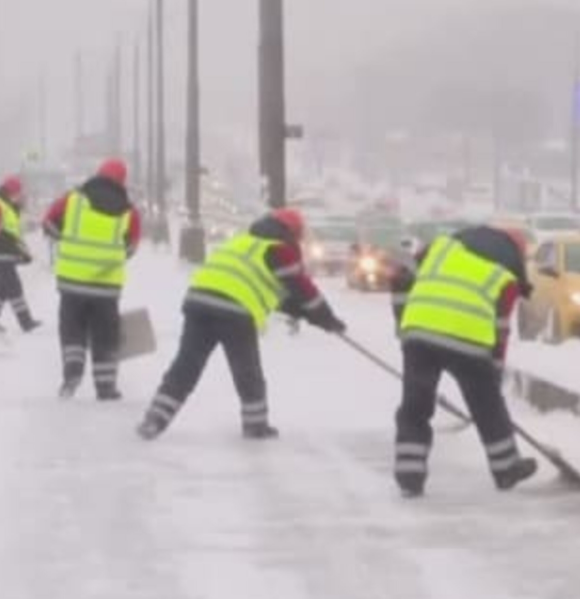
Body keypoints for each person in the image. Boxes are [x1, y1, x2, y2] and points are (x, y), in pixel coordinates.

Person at [137, 208, 346, 441]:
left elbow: (275, 295)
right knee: (247, 372)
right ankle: (255, 426)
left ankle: (154, 420)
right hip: (234, 313)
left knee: (186, 367)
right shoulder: (280, 250)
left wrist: (313, 317)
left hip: (199, 303)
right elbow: (304, 291)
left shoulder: (241, 242)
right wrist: (328, 318)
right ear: (292, 233)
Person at [390, 225, 537, 497]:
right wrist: (494, 369)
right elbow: (500, 328)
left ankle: (409, 475)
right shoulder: (504, 274)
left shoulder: (442, 248)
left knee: (415, 406)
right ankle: (506, 468)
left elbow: (400, 279)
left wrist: (403, 326)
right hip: (467, 339)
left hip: (419, 333)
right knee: (487, 407)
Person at [43, 159, 141, 400]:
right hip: (106, 287)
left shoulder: (72, 199)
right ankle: (106, 387)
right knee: (106, 334)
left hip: (72, 282)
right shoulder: (129, 211)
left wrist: (64, 240)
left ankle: (73, 370)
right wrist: (110, 259)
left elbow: (48, 223)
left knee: (72, 327)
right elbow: (131, 247)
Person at [0, 175, 41, 332]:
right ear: (12, 191)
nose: (22, 196)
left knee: (1, 288)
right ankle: (25, 322)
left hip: (5, 252)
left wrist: (22, 251)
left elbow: (13, 234)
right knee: (13, 286)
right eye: (20, 193)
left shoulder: (11, 208)